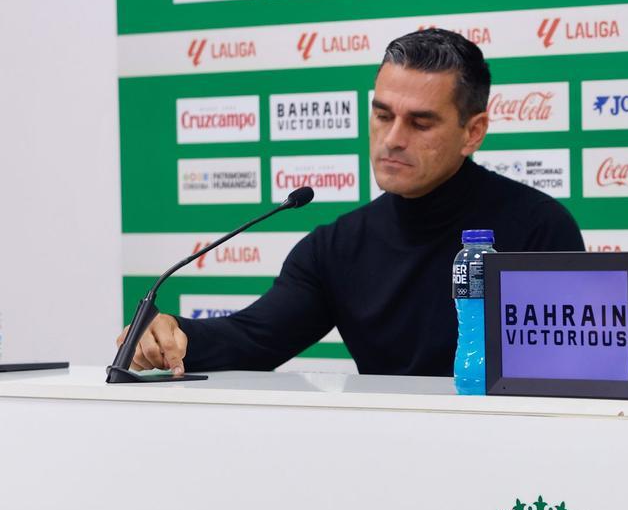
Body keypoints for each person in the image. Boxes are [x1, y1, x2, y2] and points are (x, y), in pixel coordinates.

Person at [118, 29, 585, 376]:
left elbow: (571, 374)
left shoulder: (539, 229)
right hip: (381, 466)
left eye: (420, 123)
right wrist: (173, 334)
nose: (393, 139)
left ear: (473, 132)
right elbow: (254, 338)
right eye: (383, 115)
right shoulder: (335, 247)